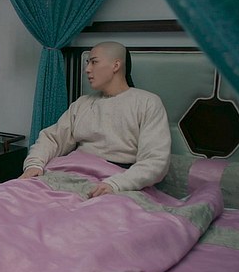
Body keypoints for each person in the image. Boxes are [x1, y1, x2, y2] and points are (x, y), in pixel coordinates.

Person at [20, 41, 170, 197]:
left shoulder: (147, 103)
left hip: (113, 180)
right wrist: (34, 164)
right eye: (87, 62)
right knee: (13, 195)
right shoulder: (82, 104)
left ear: (116, 65)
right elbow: (52, 138)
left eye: (94, 62)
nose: (87, 69)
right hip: (66, 173)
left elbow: (155, 160)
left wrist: (116, 184)